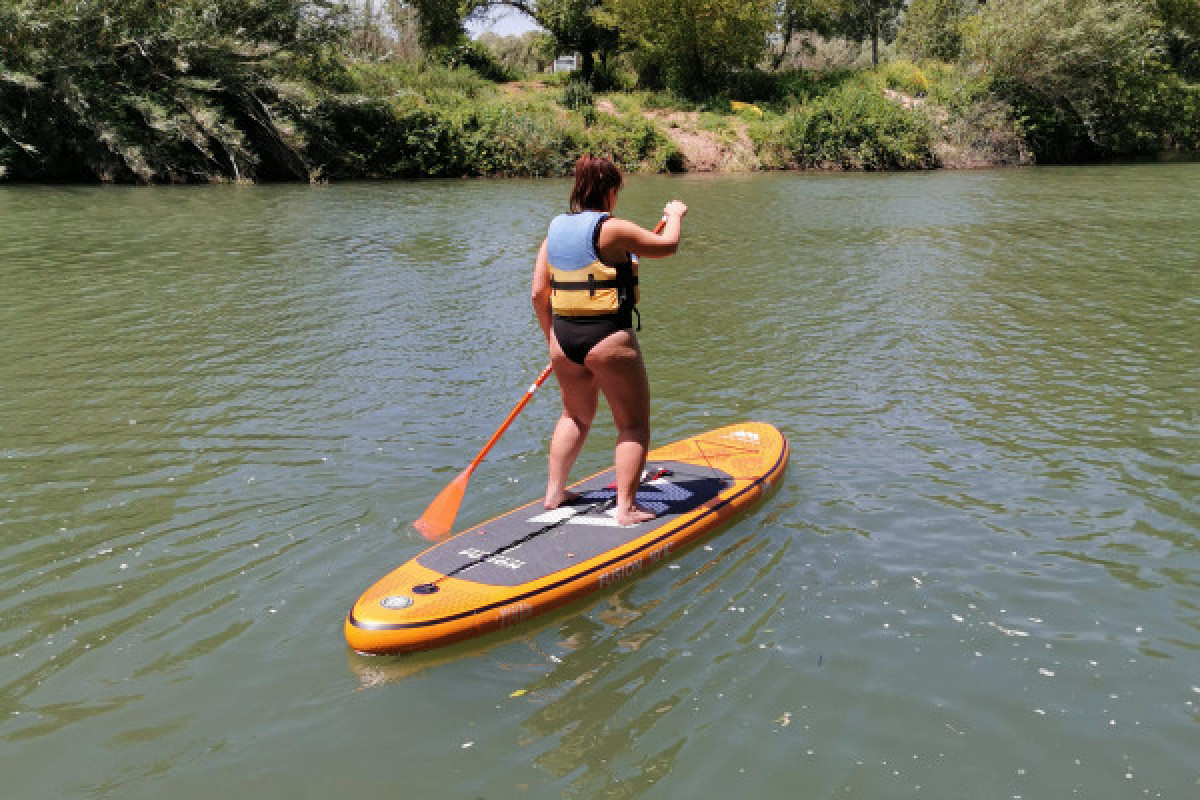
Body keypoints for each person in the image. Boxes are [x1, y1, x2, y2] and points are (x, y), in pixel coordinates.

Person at [531, 154, 688, 526]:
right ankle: (627, 509)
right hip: (607, 338)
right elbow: (667, 246)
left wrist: (552, 338)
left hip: (564, 339)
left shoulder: (554, 230)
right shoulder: (613, 229)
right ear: (611, 191)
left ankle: (554, 493)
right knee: (633, 425)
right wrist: (676, 214)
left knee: (574, 415)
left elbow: (539, 292)